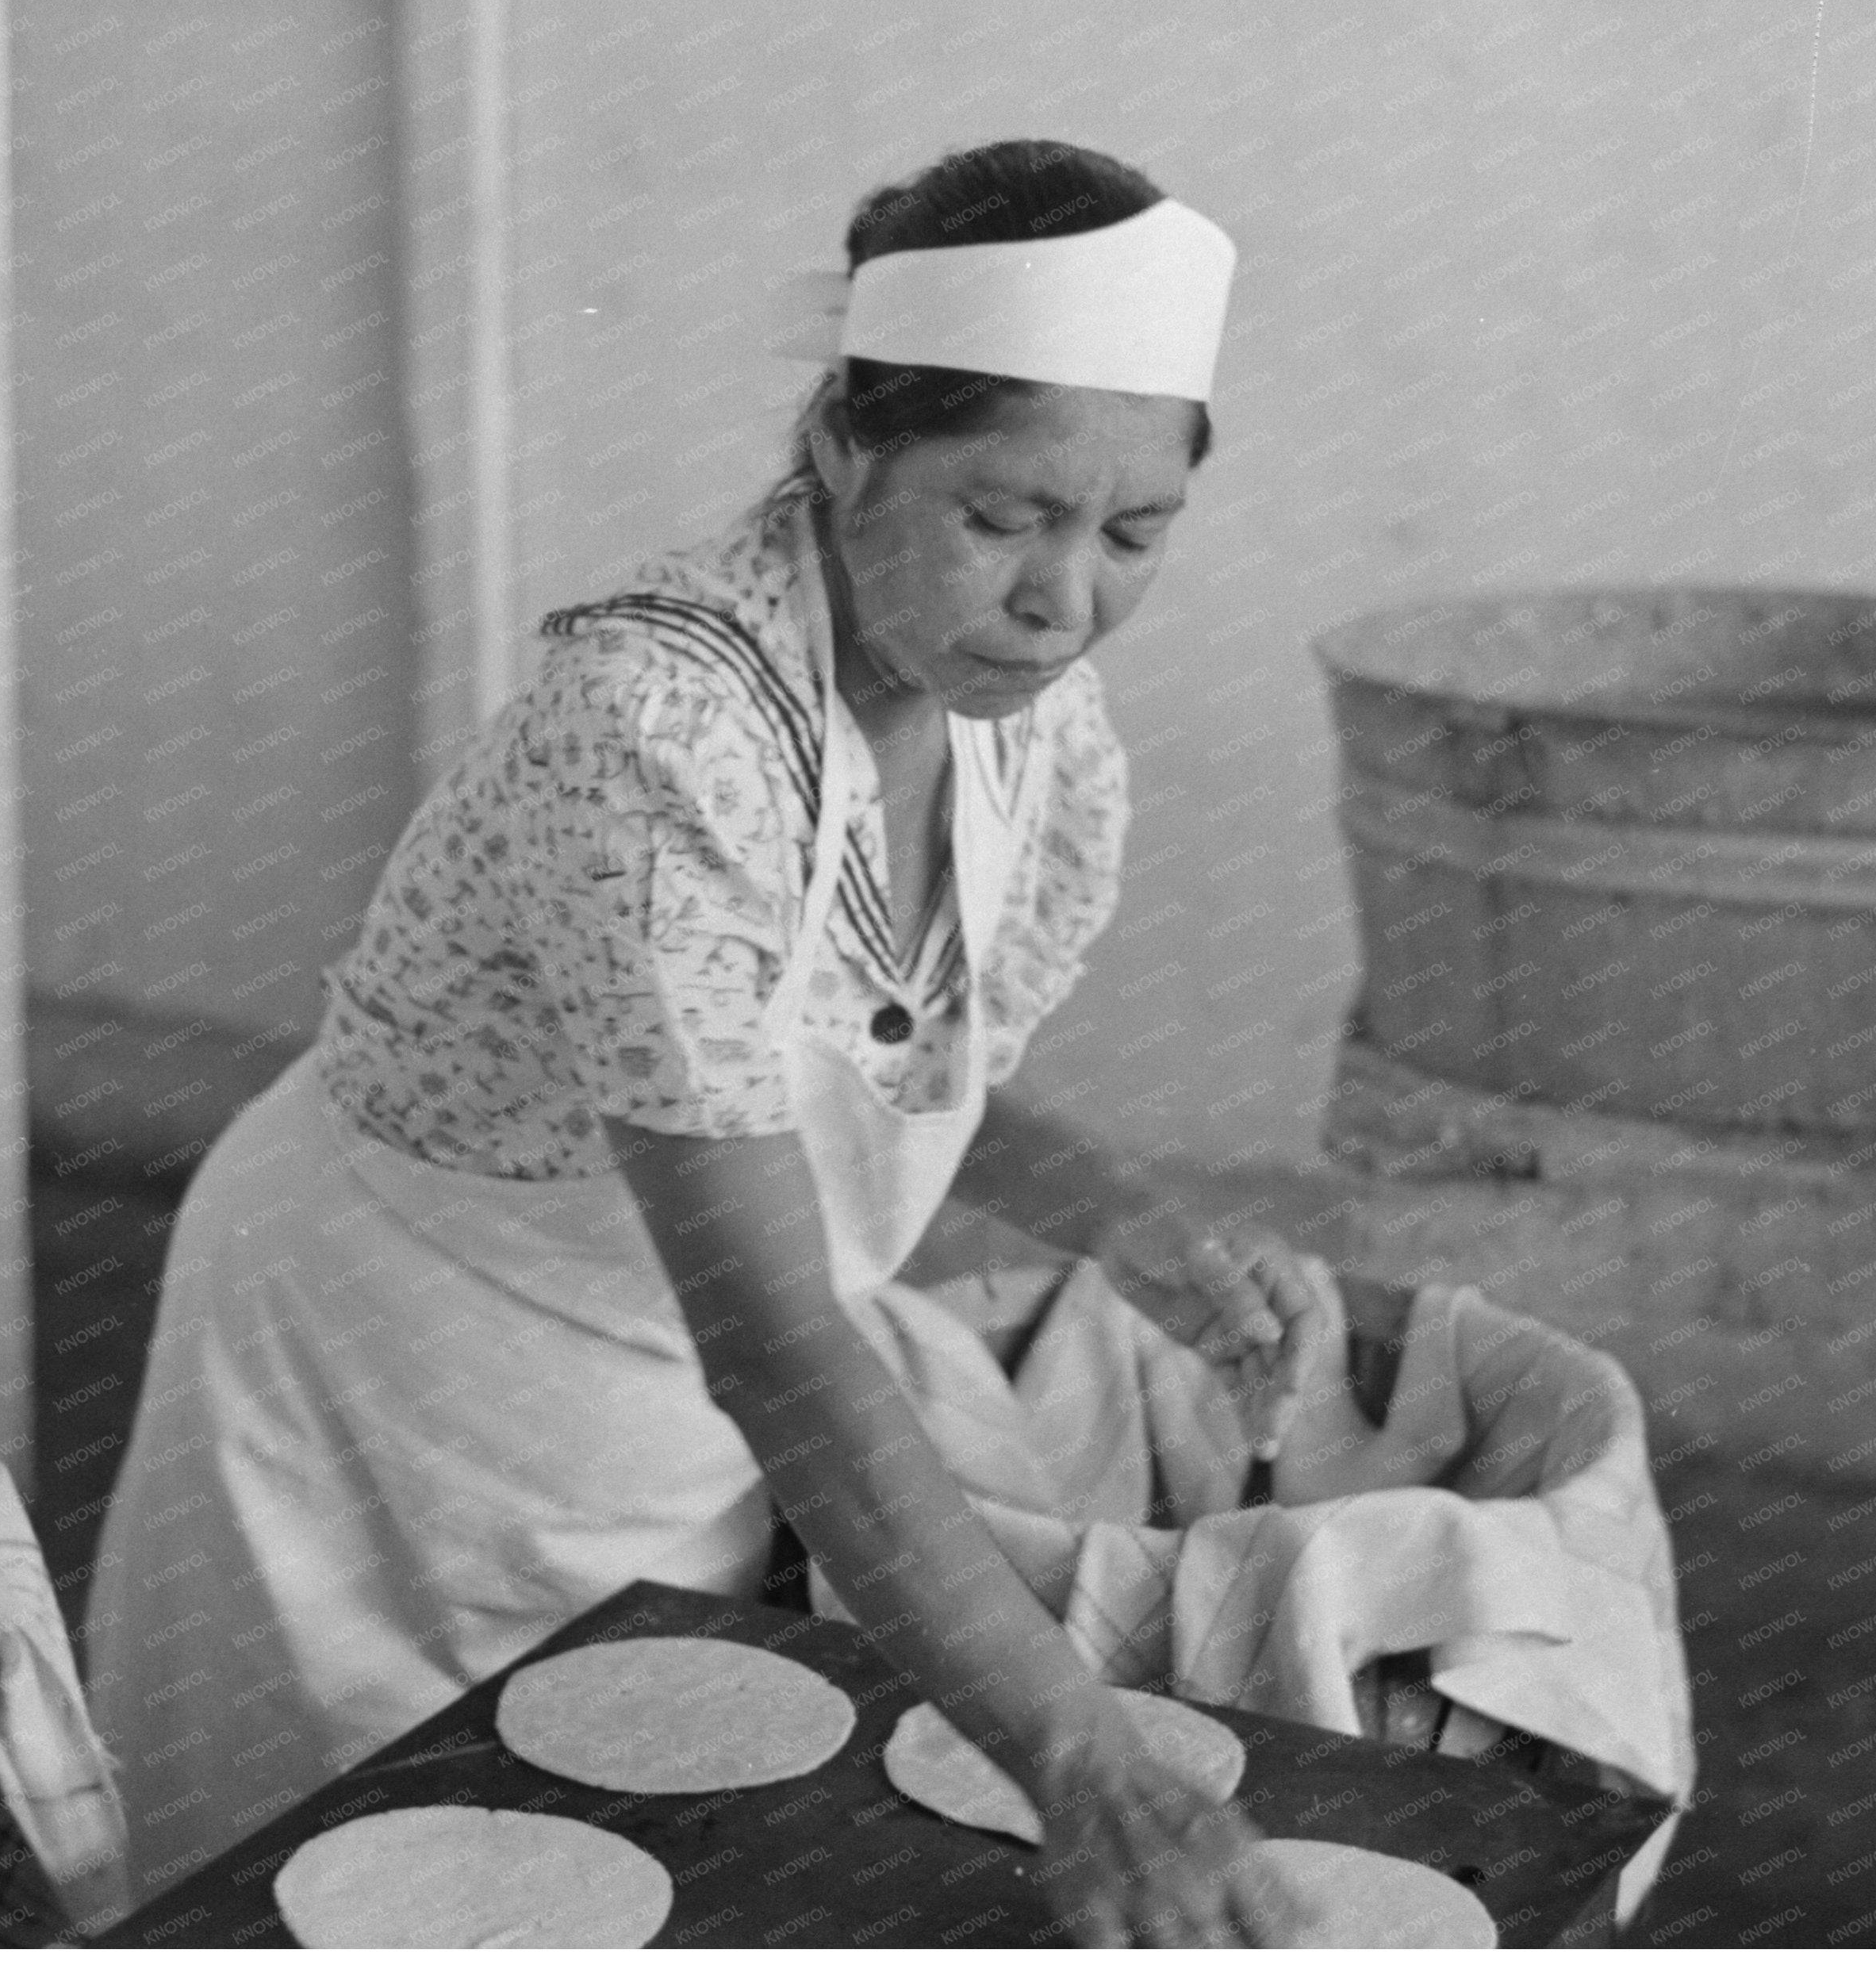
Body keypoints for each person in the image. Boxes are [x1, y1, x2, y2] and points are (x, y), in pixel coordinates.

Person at [85, 139, 1347, 1945]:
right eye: (1002, 516)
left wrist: (1129, 1224)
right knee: (347, 1881)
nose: (1064, 603)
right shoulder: (658, 738)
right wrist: (1079, 1759)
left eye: (1130, 533)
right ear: (844, 443)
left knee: (623, 1852)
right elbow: (769, 1336)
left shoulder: (1028, 738)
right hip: (396, 1374)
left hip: (667, 1388)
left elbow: (876, 1060)